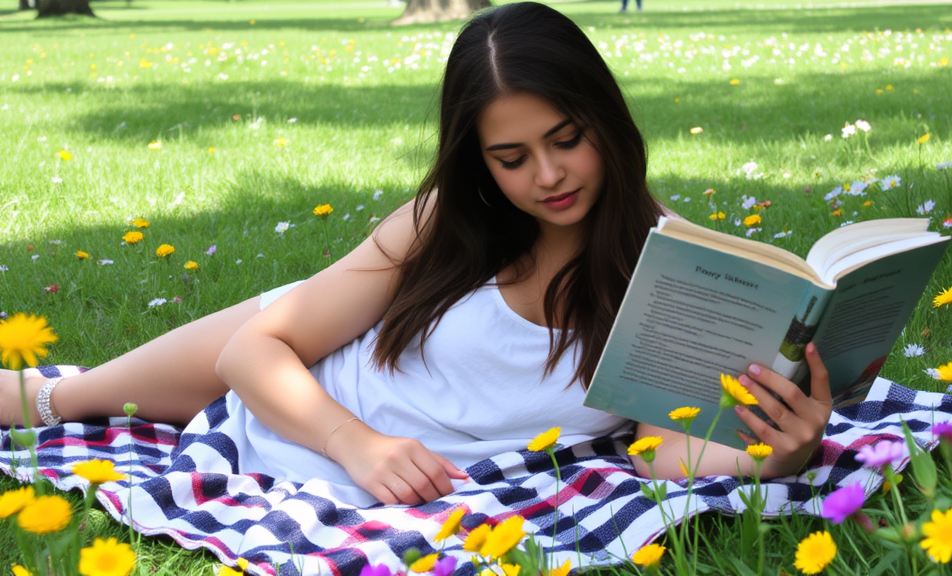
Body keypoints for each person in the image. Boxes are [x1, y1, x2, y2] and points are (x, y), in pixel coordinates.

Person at [0, 2, 832, 508]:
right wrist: (353, 443)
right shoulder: (450, 220)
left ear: (607, 122)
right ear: (478, 159)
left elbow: (657, 448)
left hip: (338, 415)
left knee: (66, 399)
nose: (548, 176)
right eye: (511, 159)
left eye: (567, 140)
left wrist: (775, 453)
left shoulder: (672, 263)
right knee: (56, 402)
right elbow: (251, 350)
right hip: (306, 386)